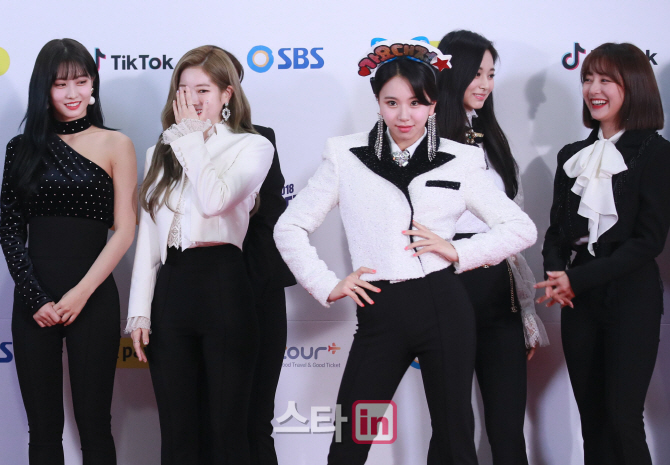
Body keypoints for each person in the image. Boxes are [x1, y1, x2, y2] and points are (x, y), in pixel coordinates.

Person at [274, 38, 537, 464]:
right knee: (348, 440)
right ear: (377, 102)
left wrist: (458, 252)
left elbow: (521, 228)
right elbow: (289, 226)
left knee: (454, 440)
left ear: (433, 105)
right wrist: (326, 284)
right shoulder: (345, 155)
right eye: (392, 102)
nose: (404, 115)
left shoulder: (461, 158)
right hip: (379, 310)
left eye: (417, 103)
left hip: (443, 307)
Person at [126, 45, 274, 464]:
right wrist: (139, 313)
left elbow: (214, 201)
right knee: (176, 434)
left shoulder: (252, 146)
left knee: (226, 432)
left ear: (227, 94)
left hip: (223, 284)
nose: (192, 100)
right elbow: (149, 241)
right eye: (184, 90)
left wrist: (191, 141)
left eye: (203, 90)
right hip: (172, 290)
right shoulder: (158, 153)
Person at [0, 38, 137, 465]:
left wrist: (80, 293)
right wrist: (35, 296)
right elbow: (9, 228)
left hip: (93, 297)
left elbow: (125, 229)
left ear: (93, 84)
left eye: (81, 81)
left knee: (95, 424)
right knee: (42, 429)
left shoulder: (116, 144)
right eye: (61, 84)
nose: (72, 93)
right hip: (34, 300)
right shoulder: (21, 148)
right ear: (44, 89)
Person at [537, 42, 670, 465]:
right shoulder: (571, 156)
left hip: (631, 296)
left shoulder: (657, 153)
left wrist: (575, 278)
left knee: (622, 418)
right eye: (588, 79)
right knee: (592, 420)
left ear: (634, 86)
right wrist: (556, 273)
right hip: (578, 300)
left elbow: (649, 241)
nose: (594, 89)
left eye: (606, 80)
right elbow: (556, 232)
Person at [428, 30, 549, 465]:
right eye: (476, 73)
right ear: (452, 72)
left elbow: (513, 232)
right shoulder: (421, 140)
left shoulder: (492, 138)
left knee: (508, 429)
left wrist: (526, 311)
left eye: (491, 74)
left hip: (499, 293)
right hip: (447, 289)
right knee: (451, 430)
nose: (484, 84)